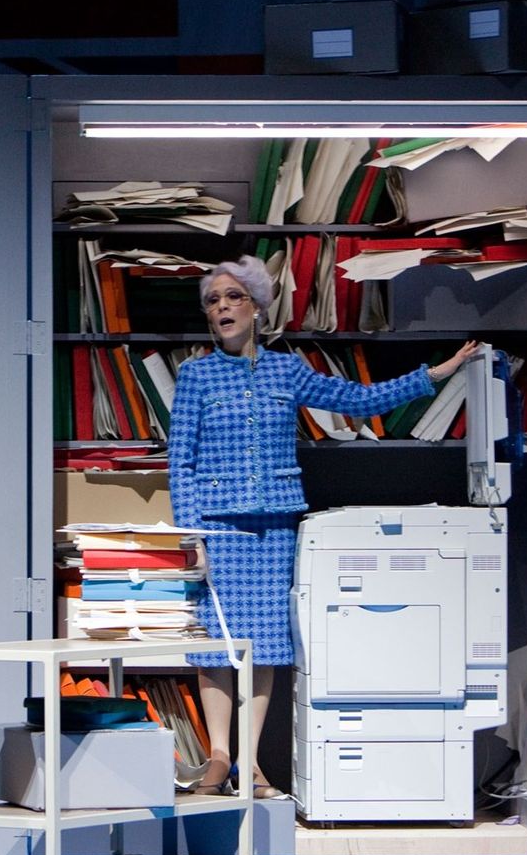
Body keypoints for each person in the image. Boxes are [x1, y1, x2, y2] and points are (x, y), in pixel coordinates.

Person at [167, 254, 479, 797]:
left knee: (263, 644)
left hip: (273, 527)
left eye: (233, 297)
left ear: (258, 307)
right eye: (213, 300)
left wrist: (433, 375)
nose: (222, 307)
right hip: (217, 528)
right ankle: (217, 759)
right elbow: (181, 461)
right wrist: (192, 534)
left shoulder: (287, 370)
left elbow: (355, 399)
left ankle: (250, 762)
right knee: (214, 643)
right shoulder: (195, 375)